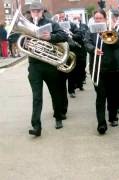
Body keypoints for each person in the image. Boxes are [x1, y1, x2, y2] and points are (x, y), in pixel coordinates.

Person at [26, 2, 68, 136]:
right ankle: (36, 126)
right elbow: (15, 37)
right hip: (34, 65)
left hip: (49, 64)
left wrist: (51, 37)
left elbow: (63, 35)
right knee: (37, 97)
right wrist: (25, 41)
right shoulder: (27, 24)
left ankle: (58, 117)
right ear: (30, 12)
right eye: (33, 11)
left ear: (42, 11)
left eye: (38, 11)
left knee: (55, 93)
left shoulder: (51, 23)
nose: (35, 13)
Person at [84, 9, 119, 135]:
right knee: (100, 96)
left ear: (105, 19)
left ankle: (113, 117)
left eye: (100, 18)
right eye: (96, 18)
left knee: (113, 94)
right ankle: (101, 123)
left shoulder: (112, 29)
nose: (98, 20)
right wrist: (93, 49)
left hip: (112, 67)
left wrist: (112, 31)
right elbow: (86, 43)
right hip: (97, 68)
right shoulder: (91, 31)